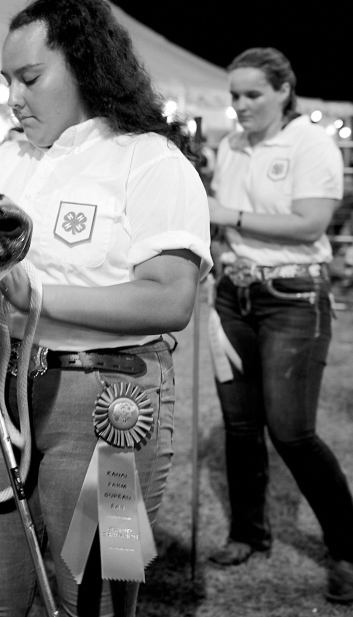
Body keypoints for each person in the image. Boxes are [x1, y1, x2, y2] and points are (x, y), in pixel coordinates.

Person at [0, 0, 211, 617]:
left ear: (84, 64)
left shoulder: (151, 161)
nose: (13, 97)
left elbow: (169, 299)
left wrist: (33, 295)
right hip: (0, 402)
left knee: (100, 603)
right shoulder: (0, 164)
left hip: (116, 408)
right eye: (7, 79)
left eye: (30, 77)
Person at [206, 47, 353, 604]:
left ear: (284, 90)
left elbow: (312, 222)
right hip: (233, 295)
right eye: (234, 95)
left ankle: (346, 548)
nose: (239, 106)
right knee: (240, 426)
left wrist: (229, 217)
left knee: (291, 430)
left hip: (293, 298)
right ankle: (248, 532)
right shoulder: (230, 145)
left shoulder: (310, 144)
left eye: (252, 95)